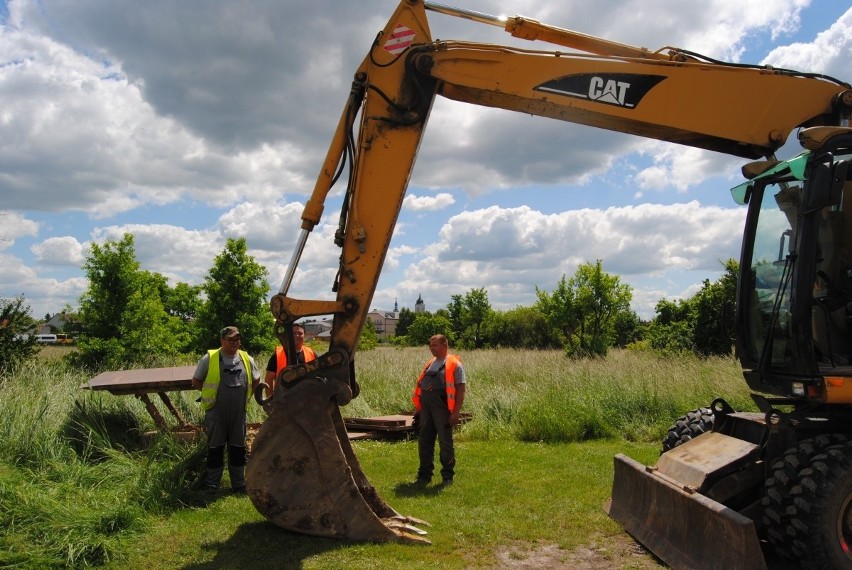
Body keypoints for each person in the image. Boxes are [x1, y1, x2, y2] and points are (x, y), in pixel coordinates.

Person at [192, 326, 261, 493]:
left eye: (237, 339)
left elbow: (256, 379)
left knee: (238, 448)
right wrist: (212, 394)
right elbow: (196, 381)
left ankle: (238, 485)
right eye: (231, 340)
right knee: (215, 448)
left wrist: (246, 396)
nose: (235, 343)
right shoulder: (210, 358)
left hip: (238, 412)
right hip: (216, 412)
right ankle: (212, 485)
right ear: (222, 340)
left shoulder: (246, 358)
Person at [412, 334, 466, 485]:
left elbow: (461, 391)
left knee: (445, 443)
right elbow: (422, 388)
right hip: (426, 409)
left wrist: (455, 413)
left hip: (443, 409)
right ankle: (424, 476)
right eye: (430, 345)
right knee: (424, 441)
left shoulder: (455, 364)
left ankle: (447, 476)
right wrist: (418, 409)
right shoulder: (430, 364)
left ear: (444, 345)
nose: (431, 348)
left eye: (434, 345)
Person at [264, 323, 317, 397]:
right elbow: (268, 379)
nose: (297, 335)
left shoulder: (311, 353)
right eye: (294, 333)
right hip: (284, 399)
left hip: (307, 399)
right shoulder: (278, 354)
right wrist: (270, 399)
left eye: (300, 333)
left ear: (304, 336)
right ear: (288, 335)